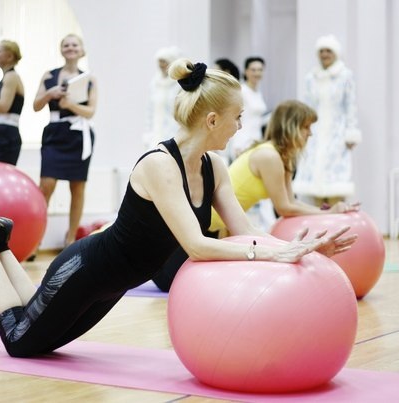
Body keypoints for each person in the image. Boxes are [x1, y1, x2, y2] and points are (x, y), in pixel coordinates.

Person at [0, 59, 357, 358]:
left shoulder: (215, 166)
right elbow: (196, 245)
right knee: (19, 342)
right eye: (237, 117)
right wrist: (271, 252)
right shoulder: (160, 165)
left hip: (114, 284)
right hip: (88, 270)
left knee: (37, 322)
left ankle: (1, 241)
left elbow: (244, 232)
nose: (241, 127)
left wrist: (302, 247)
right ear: (212, 120)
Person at [153, 100, 360, 291]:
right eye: (306, 127)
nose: (310, 134)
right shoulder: (268, 155)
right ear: (291, 126)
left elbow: (289, 203)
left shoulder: (282, 158)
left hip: (218, 231)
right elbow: (284, 208)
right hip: (193, 238)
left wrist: (308, 241)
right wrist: (328, 212)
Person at [33, 34, 98, 248]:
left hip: (79, 137)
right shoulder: (48, 76)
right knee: (46, 185)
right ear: (61, 50)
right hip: (54, 133)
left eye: (75, 44)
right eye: (66, 45)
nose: (70, 48)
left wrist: (70, 105)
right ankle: (35, 238)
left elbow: (90, 112)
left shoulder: (89, 79)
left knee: (77, 188)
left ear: (81, 50)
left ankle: (70, 239)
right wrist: (49, 94)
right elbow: (36, 105)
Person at [293, 34, 362, 207]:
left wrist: (351, 133)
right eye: (321, 51)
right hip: (314, 133)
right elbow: (306, 106)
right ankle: (317, 218)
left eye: (328, 51)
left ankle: (336, 216)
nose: (324, 54)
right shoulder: (311, 77)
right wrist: (302, 129)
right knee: (313, 178)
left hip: (337, 133)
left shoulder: (345, 75)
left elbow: (350, 106)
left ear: (335, 53)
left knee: (335, 181)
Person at [226, 56, 268, 161]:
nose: (257, 73)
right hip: (242, 139)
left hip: (256, 138)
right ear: (246, 71)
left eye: (260, 70)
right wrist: (236, 144)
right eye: (253, 70)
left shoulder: (258, 92)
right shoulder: (241, 91)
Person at [143, 46, 183, 150]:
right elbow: (149, 111)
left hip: (174, 134)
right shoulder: (154, 84)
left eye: (164, 62)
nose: (161, 65)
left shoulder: (179, 84)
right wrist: (147, 135)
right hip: (155, 135)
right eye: (159, 62)